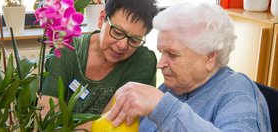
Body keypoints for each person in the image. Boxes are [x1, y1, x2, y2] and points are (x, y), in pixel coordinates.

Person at [107, 1, 272, 131]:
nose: (160, 64)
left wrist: (161, 106)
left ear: (209, 57)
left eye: (172, 54)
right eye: (161, 52)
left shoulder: (237, 92)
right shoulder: (175, 86)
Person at [40, 0, 159, 116]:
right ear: (102, 19)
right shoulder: (67, 48)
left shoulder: (143, 61)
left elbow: (110, 122)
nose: (122, 45)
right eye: (117, 32)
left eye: (134, 40)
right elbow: (47, 114)